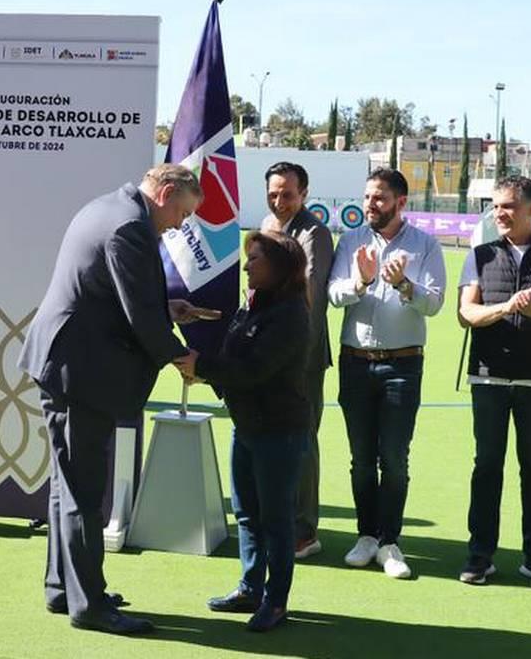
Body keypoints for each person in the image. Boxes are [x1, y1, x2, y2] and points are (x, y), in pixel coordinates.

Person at [18, 163, 216, 634]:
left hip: (69, 364)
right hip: (79, 372)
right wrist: (183, 356)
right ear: (166, 192)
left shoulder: (109, 207)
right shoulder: (129, 225)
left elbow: (111, 294)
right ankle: (89, 605)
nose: (180, 225)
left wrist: (168, 308)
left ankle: (63, 588)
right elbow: (139, 319)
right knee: (82, 490)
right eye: (183, 214)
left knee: (67, 484)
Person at [177, 230, 311, 633]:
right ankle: (250, 588)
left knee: (276, 519)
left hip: (278, 431)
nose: (247, 265)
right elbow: (236, 359)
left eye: (255, 259)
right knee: (247, 515)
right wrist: (204, 364)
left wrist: (201, 366)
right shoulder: (253, 305)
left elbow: (254, 370)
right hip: (248, 425)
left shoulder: (289, 315)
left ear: (280, 268)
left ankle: (276, 601)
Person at [456, 175, 531, 590]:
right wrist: (507, 307)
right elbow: (466, 314)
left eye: (508, 205)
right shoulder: (480, 255)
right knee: (486, 467)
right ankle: (480, 555)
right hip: (488, 377)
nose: (499, 213)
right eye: (496, 205)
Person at [327, 167, 446, 580]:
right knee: (361, 458)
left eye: (378, 198)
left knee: (393, 457)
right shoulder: (352, 241)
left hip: (402, 364)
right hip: (355, 361)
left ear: (400, 202)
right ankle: (366, 536)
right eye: (367, 197)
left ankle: (390, 541)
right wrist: (360, 282)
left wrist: (404, 285)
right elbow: (333, 294)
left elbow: (434, 304)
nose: (369, 205)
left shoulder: (426, 245)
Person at [259, 162, 334, 561]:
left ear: (304, 193)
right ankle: (277, 519)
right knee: (271, 437)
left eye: (287, 194)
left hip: (301, 356)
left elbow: (309, 295)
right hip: (267, 354)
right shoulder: (268, 224)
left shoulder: (314, 233)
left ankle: (304, 528)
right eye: (273, 193)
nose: (279, 200)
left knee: (302, 439)